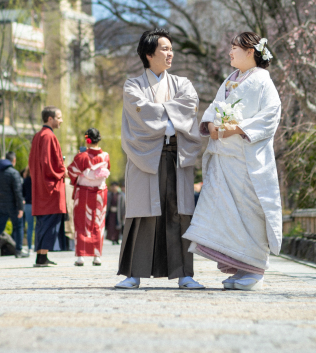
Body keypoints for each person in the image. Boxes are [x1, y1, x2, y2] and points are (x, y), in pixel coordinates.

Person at [183, 32, 282, 291]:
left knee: (250, 212)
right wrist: (213, 126)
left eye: (235, 47)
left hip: (247, 160)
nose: (230, 52)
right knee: (228, 213)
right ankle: (240, 266)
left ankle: (255, 270)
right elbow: (214, 107)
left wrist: (239, 128)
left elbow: (271, 115)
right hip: (225, 159)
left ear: (251, 51)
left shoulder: (263, 80)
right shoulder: (230, 79)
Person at [115, 28, 204, 290]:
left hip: (177, 155)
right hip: (145, 158)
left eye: (171, 49)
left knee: (179, 213)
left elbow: (189, 105)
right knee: (144, 213)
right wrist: (171, 118)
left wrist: (160, 116)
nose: (170, 53)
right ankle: (134, 273)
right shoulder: (133, 85)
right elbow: (140, 113)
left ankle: (185, 274)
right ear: (148, 53)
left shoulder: (183, 83)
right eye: (164, 48)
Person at [30, 106, 67, 267]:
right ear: (50, 119)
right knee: (50, 221)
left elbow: (34, 163)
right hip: (50, 186)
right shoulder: (48, 136)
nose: (61, 120)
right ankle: (42, 257)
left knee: (43, 222)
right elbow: (48, 164)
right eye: (59, 117)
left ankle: (41, 256)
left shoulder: (38, 136)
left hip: (40, 185)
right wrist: (62, 171)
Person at [68, 128, 110, 266]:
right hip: (100, 193)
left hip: (83, 193)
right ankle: (97, 256)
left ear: (87, 139)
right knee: (98, 222)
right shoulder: (105, 156)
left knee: (81, 223)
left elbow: (71, 172)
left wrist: (81, 177)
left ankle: (81, 256)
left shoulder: (82, 156)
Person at [0, 152, 29, 259]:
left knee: (0, 228)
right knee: (18, 227)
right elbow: (18, 192)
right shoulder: (14, 173)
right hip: (13, 206)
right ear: (13, 160)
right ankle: (18, 251)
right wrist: (20, 208)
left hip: (0, 205)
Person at [22, 168, 33, 249]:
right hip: (36, 204)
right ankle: (38, 245)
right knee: (39, 226)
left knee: (29, 226)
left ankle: (29, 246)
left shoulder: (25, 181)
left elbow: (22, 193)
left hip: (28, 205)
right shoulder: (36, 180)